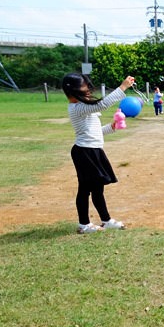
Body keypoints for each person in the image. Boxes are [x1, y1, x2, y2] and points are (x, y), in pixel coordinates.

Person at [62, 73, 134, 234]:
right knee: (85, 190)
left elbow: (94, 132)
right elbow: (102, 105)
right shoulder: (78, 107)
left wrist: (112, 127)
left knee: (97, 189)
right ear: (72, 91)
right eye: (84, 87)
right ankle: (84, 224)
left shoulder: (83, 107)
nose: (87, 89)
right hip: (84, 152)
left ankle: (106, 220)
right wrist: (123, 87)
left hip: (93, 151)